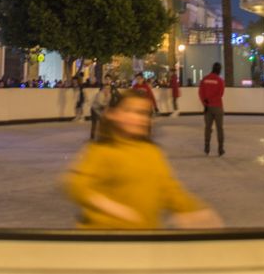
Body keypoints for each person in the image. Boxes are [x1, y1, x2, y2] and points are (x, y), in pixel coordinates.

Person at [63, 89, 222, 229]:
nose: (137, 118)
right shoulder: (102, 151)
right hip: (104, 240)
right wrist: (111, 207)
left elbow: (169, 189)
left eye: (143, 113)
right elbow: (77, 185)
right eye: (130, 111)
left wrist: (193, 210)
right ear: (114, 115)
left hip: (144, 239)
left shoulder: (152, 153)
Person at [198, 62, 225, 156]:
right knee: (219, 128)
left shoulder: (204, 79)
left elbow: (201, 93)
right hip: (217, 106)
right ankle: (220, 148)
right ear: (219, 70)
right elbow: (221, 93)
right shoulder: (220, 80)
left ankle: (207, 147)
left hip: (207, 107)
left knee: (208, 128)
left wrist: (205, 103)